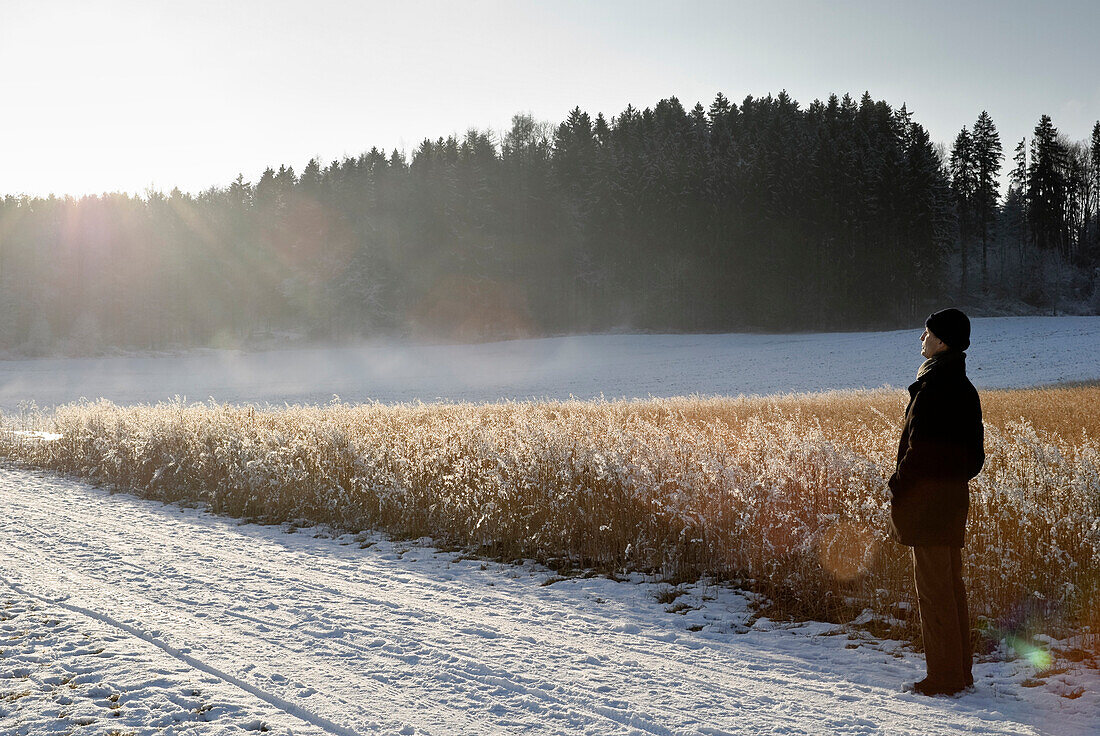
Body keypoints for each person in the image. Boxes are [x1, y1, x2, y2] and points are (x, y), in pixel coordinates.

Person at [888, 308, 985, 696]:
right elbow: (974, 458)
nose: (921, 339)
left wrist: (899, 485)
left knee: (934, 591)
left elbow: (919, 451)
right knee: (951, 586)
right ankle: (960, 673)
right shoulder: (964, 387)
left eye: (926, 333)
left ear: (942, 341)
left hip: (927, 506)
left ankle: (944, 679)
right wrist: (950, 482)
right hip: (951, 502)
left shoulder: (933, 387)